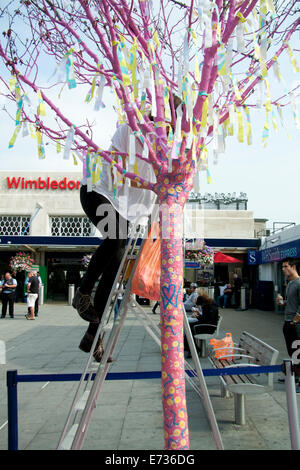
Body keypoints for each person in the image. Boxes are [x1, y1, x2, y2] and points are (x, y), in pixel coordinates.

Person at [72, 123, 156, 361]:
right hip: (96, 191)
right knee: (117, 236)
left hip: (122, 210)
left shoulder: (164, 151)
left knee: (113, 272)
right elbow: (122, 171)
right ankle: (83, 292)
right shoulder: (130, 129)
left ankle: (92, 337)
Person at [276, 257, 300, 387]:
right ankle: (294, 377)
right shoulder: (290, 284)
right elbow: (292, 303)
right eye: (283, 267)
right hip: (288, 322)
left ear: (293, 267)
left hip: (295, 325)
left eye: (286, 267)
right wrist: (282, 302)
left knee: (298, 352)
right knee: (292, 352)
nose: (283, 269)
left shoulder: (299, 283)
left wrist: (295, 321)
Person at [184, 290, 219, 357]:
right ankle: (190, 347)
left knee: (189, 330)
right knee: (188, 328)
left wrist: (198, 316)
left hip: (208, 327)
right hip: (208, 326)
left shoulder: (209, 306)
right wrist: (199, 316)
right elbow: (207, 318)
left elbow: (207, 319)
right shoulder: (210, 305)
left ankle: (193, 348)